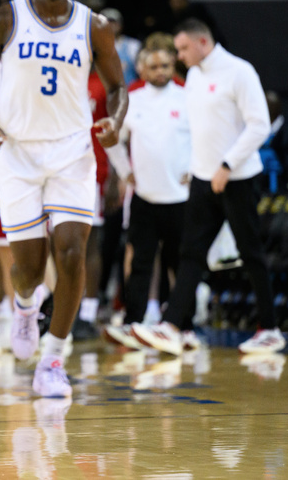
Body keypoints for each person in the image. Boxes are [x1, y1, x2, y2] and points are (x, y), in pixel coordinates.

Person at [0, 0, 128, 398]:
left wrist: (114, 121)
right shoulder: (4, 19)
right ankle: (22, 305)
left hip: (72, 152)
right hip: (16, 153)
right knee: (29, 269)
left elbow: (117, 88)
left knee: (73, 253)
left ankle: (54, 358)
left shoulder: (94, 25)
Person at [131, 19, 284, 355]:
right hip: (202, 180)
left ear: (203, 42)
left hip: (238, 179)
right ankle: (173, 326)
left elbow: (259, 126)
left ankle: (270, 328)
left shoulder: (239, 72)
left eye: (183, 49)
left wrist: (227, 165)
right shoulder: (195, 77)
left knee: (251, 253)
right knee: (191, 254)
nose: (179, 56)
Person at [104, 45, 191, 349]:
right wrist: (124, 170)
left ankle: (184, 325)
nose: (160, 72)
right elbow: (111, 138)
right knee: (140, 263)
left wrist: (195, 168)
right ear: (141, 70)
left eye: (166, 66)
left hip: (180, 197)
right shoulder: (132, 101)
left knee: (178, 264)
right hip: (144, 197)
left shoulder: (187, 98)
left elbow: (206, 136)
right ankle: (133, 323)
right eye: (154, 67)